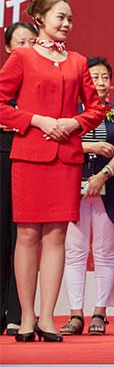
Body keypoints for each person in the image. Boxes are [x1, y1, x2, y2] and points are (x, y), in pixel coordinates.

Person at [0, 0, 107, 343]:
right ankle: (25, 317)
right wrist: (37, 120)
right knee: (28, 235)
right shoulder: (22, 57)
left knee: (57, 236)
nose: (66, 24)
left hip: (66, 158)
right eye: (60, 17)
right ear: (40, 20)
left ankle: (47, 316)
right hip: (30, 155)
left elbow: (96, 109)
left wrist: (74, 123)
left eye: (70, 19)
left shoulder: (78, 62)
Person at [59, 57, 114, 336]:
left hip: (109, 188)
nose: (101, 83)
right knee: (74, 253)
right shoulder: (69, 112)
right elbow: (60, 143)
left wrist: (103, 174)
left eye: (105, 77)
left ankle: (100, 313)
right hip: (72, 189)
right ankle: (75, 315)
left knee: (106, 252)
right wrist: (90, 146)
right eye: (94, 78)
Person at [0, 21, 37, 336]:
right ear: (8, 48)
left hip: (28, 161)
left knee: (22, 238)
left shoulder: (40, 82)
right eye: (20, 42)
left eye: (31, 42)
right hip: (1, 159)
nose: (26, 47)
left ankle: (18, 313)